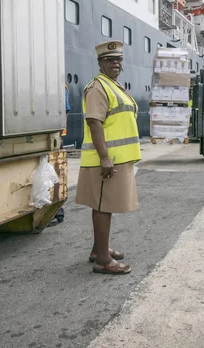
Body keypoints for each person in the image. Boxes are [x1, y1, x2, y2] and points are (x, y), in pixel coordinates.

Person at [75, 40, 141, 275]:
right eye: (109, 60)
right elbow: (94, 122)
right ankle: (102, 260)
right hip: (106, 160)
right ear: (100, 62)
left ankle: (98, 249)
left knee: (105, 205)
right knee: (103, 206)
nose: (115, 63)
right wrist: (104, 157)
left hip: (117, 158)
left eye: (118, 59)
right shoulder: (97, 87)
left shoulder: (114, 85)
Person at [49, 85, 71, 227]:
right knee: (54, 173)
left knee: (54, 173)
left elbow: (64, 112)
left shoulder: (59, 86)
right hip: (53, 136)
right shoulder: (60, 86)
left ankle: (56, 211)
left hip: (54, 137)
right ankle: (56, 211)